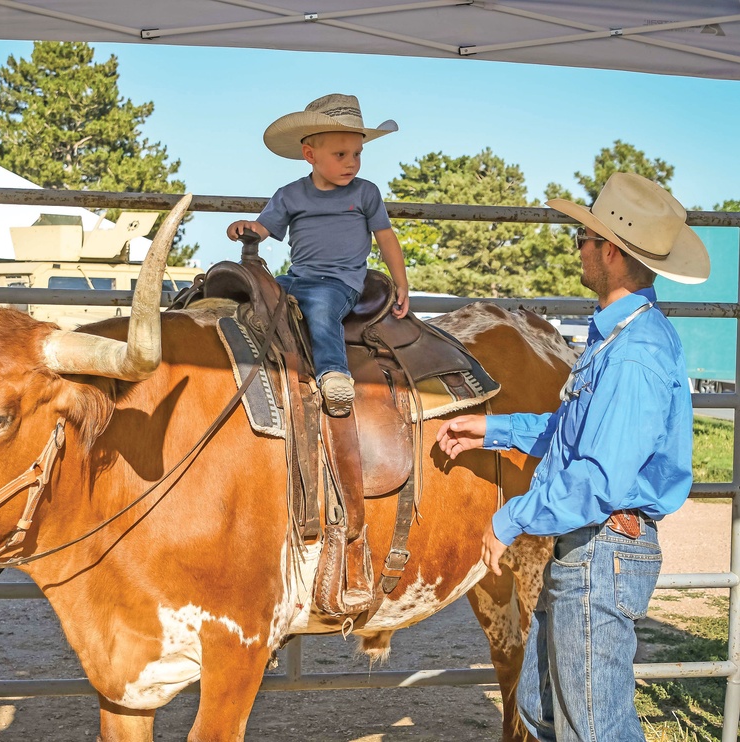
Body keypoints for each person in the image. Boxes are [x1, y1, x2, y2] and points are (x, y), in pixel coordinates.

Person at [435, 172, 710, 742]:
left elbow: (599, 477)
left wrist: (509, 519)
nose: (578, 249)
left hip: (604, 547)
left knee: (595, 727)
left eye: (582, 239)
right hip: (587, 544)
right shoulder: (615, 335)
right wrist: (495, 428)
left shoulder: (633, 353)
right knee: (542, 707)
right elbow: (575, 432)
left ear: (609, 250)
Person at [226, 93, 410, 417]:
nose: (351, 162)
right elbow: (263, 226)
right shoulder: (290, 194)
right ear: (310, 154)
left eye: (357, 153)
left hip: (341, 281)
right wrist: (245, 226)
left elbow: (386, 237)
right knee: (259, 293)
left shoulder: (366, 192)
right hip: (298, 277)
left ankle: (334, 374)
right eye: (340, 154)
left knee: (323, 310)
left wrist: (401, 282)